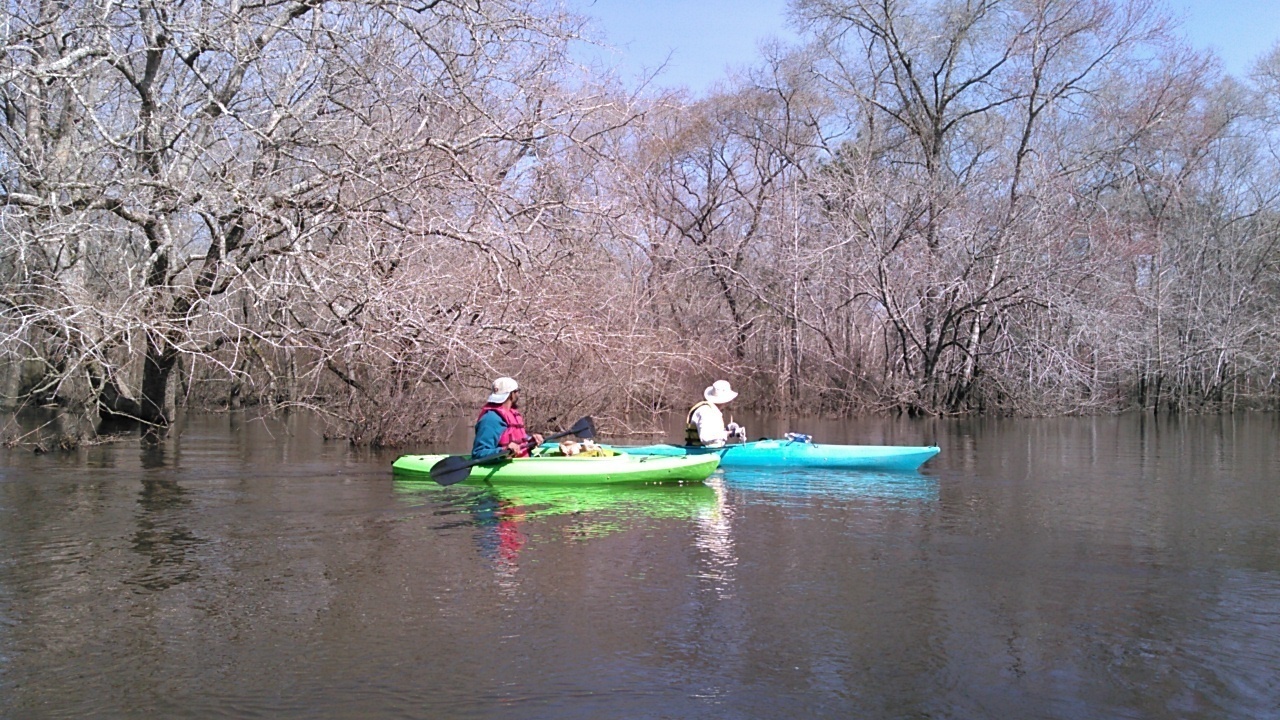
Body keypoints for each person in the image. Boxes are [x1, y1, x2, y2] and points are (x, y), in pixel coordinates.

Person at [472, 377, 544, 458]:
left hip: (521, 466)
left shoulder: (511, 413)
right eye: (517, 391)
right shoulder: (491, 419)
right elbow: (478, 454)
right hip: (505, 468)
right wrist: (504, 451)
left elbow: (519, 439)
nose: (518, 394)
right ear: (511, 395)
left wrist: (531, 440)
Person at [686, 380, 746, 447]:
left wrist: (727, 429)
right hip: (701, 453)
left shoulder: (711, 410)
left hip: (709, 450)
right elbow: (705, 438)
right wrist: (729, 433)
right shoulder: (706, 411)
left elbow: (712, 432)